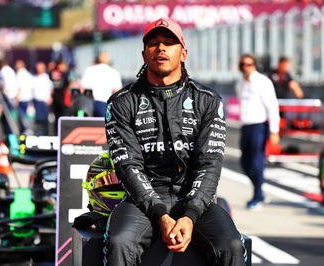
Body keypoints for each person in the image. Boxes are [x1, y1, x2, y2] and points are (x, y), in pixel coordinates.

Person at [104, 18, 245, 266]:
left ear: (183, 53)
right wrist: (160, 215)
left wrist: (189, 216)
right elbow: (129, 167)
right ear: (144, 54)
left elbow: (209, 165)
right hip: (142, 201)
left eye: (169, 43)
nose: (161, 48)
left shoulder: (208, 101)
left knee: (232, 245)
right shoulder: (121, 103)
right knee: (120, 242)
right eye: (154, 43)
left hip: (193, 197)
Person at [235, 54, 280, 210]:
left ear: (254, 65)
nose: (245, 67)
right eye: (243, 64)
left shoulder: (262, 82)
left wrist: (275, 131)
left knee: (256, 163)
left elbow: (272, 106)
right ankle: (259, 192)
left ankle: (257, 195)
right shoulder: (239, 83)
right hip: (246, 126)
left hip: (259, 126)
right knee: (244, 163)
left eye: (249, 64)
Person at [81, 51, 122, 117]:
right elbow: (118, 92)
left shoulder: (89, 70)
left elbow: (82, 89)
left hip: (88, 104)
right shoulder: (114, 72)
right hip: (104, 105)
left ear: (97, 60)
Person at [32, 62, 53, 136]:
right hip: (36, 101)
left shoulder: (46, 77)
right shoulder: (35, 77)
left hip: (43, 101)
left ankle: (44, 134)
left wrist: (49, 98)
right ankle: (39, 134)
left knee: (43, 119)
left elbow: (51, 89)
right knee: (38, 119)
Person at [15, 59, 34, 134]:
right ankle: (28, 130)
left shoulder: (20, 73)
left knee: (23, 117)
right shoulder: (28, 74)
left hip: (22, 98)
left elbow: (19, 86)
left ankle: (25, 131)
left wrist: (17, 97)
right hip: (28, 98)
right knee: (27, 116)